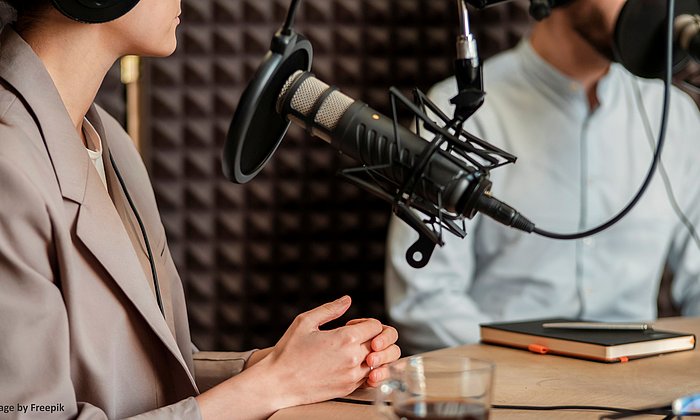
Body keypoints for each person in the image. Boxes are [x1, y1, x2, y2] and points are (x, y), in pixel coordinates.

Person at [0, 1, 400, 418]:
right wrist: (274, 385)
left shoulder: (107, 139)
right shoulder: (8, 166)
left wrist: (267, 366)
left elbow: (143, 375)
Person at [386, 0, 700, 355]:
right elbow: (424, 301)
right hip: (509, 388)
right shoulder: (461, 112)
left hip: (641, 385)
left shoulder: (675, 116)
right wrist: (528, 376)